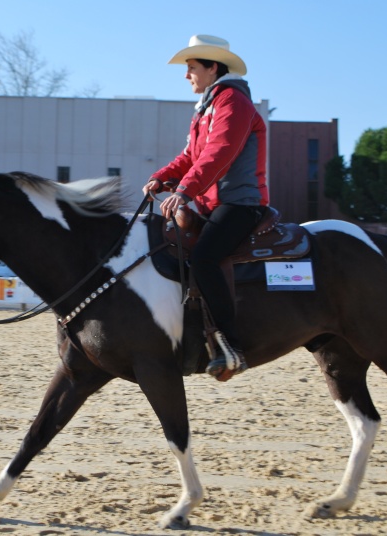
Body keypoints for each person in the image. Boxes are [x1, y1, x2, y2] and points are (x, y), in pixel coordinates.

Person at [143, 35, 269, 379]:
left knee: (205, 258)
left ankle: (230, 344)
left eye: (192, 68)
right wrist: (162, 177)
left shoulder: (233, 102)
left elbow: (219, 153)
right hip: (213, 203)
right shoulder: (208, 107)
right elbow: (190, 157)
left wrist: (183, 192)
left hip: (240, 203)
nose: (187, 76)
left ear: (213, 67)